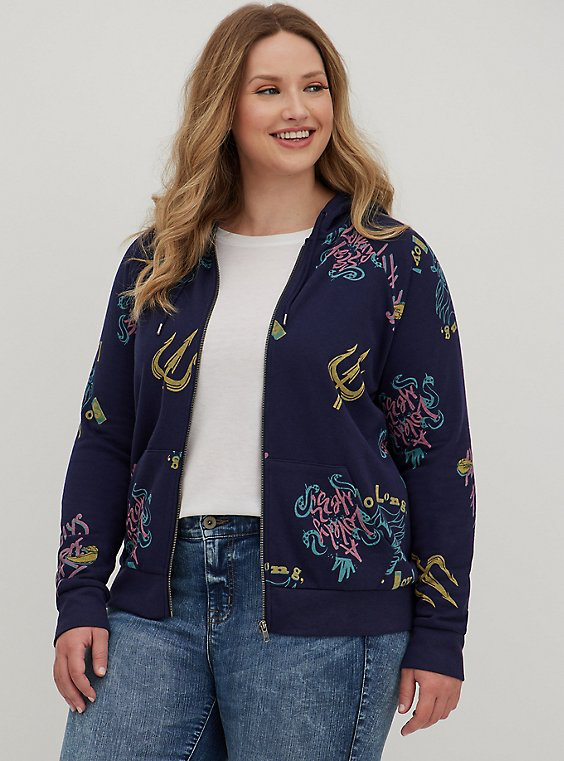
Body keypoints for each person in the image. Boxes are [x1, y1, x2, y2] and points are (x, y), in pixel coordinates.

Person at [53, 4, 476, 759]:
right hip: (157, 598)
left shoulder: (391, 260)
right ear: (225, 107)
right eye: (269, 90)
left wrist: (441, 631)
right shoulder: (160, 260)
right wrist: (80, 593)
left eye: (314, 87)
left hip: (328, 610)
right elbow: (105, 436)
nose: (298, 110)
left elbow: (438, 453)